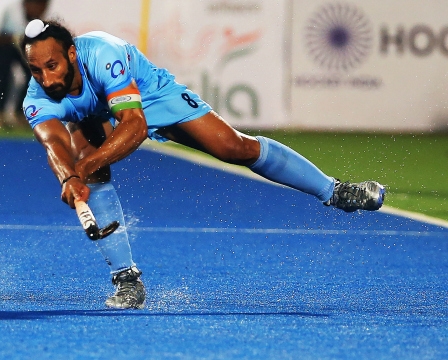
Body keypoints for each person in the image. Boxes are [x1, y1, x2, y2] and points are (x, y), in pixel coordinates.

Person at [20, 19, 386, 310]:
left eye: (52, 66)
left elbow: (135, 125)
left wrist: (79, 171)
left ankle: (335, 191)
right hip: (92, 115)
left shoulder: (104, 54)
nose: (47, 79)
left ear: (70, 54)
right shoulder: (37, 98)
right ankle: (126, 278)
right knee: (89, 164)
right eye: (37, 71)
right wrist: (70, 175)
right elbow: (55, 143)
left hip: (148, 96)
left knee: (234, 147)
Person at [0, 0, 50, 129]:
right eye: (37, 5)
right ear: (26, 4)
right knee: (3, 74)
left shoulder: (44, 18)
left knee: (36, 74)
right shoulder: (6, 6)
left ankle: (21, 114)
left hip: (26, 46)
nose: (40, 11)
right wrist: (11, 38)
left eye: (44, 6)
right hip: (4, 44)